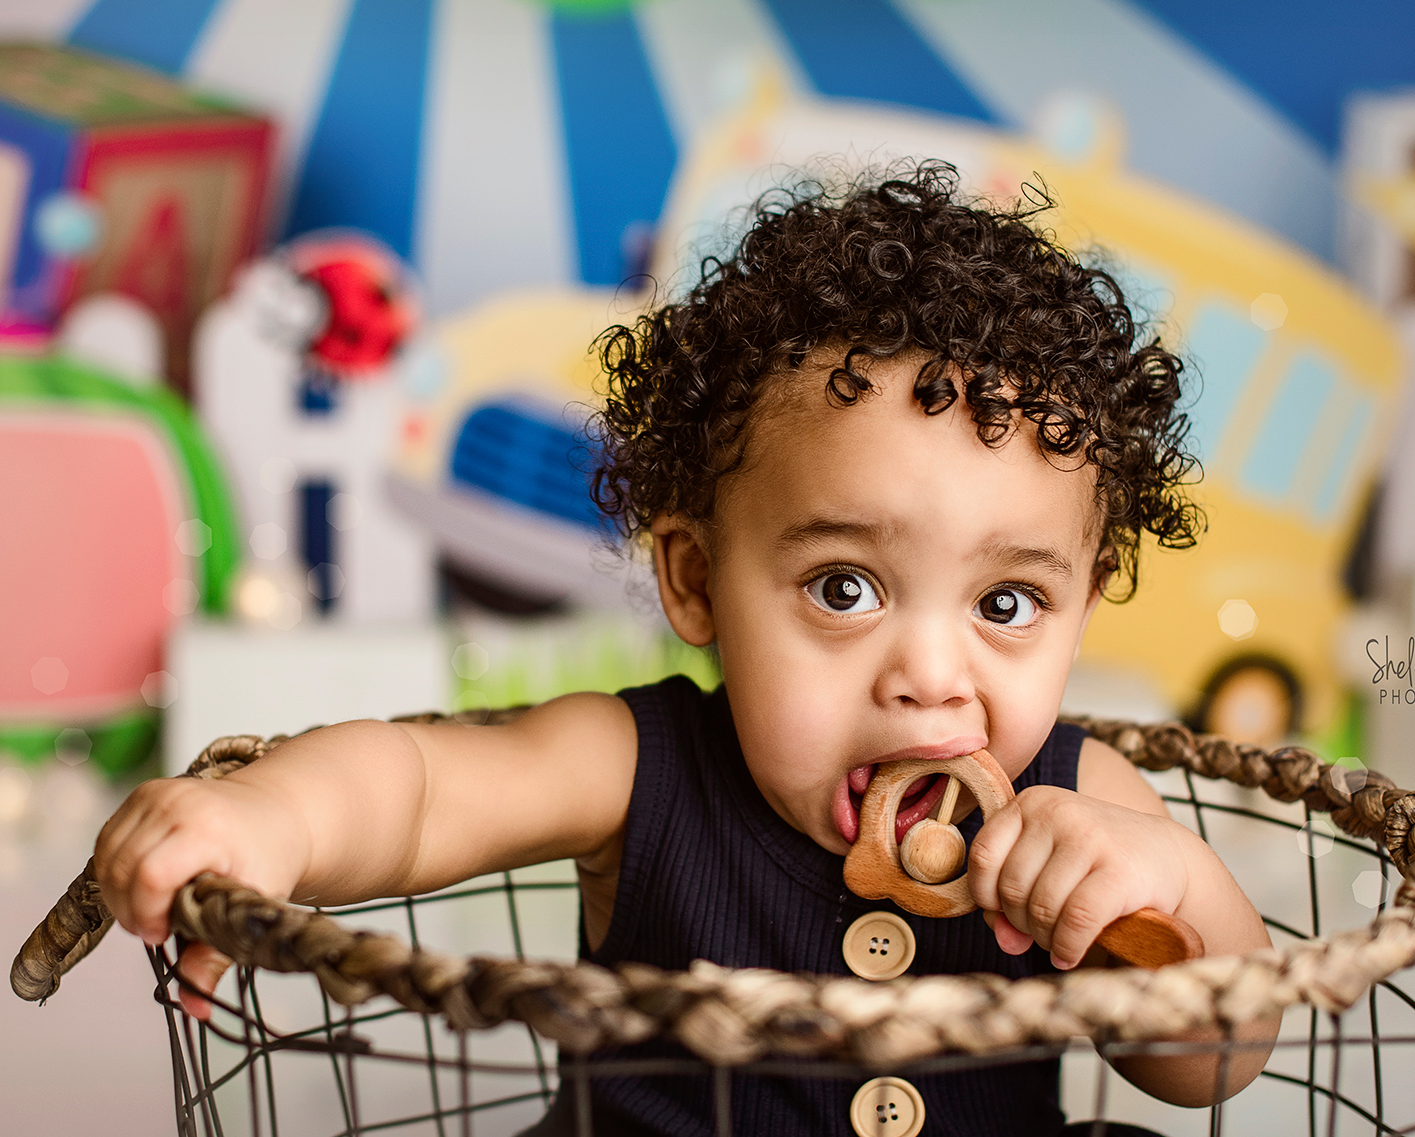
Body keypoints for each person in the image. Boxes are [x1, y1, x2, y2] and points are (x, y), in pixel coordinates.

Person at [92, 163, 1275, 1135]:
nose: (931, 673)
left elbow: (1206, 1062)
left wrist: (1160, 887)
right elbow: (416, 786)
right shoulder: (637, 764)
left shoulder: (1080, 802)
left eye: (1007, 603)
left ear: (1086, 596)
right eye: (845, 586)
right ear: (696, 581)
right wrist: (269, 824)